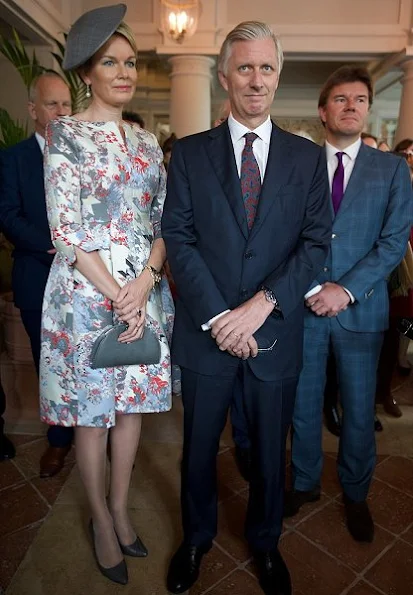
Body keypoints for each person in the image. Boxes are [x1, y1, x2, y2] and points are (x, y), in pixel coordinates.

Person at [162, 21, 331, 595]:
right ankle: (195, 540)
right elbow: (178, 240)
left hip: (276, 331)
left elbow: (315, 245)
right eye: (244, 68)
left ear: (277, 77)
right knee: (199, 448)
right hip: (206, 335)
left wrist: (261, 304)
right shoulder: (188, 155)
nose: (255, 80)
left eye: (265, 68)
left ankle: (265, 543)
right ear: (224, 76)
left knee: (267, 450)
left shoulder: (308, 160)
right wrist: (218, 318)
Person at [40, 4, 173, 585]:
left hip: (142, 293)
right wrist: (119, 293)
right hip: (85, 295)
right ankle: (98, 517)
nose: (124, 72)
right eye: (110, 62)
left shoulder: (147, 143)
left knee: (131, 411)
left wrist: (144, 284)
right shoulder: (65, 134)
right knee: (92, 417)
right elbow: (64, 230)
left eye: (131, 62)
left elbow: (165, 225)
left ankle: (120, 507)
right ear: (86, 74)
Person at [287, 66, 413, 543]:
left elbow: (393, 240)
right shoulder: (300, 165)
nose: (351, 106)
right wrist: (308, 290)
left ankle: (356, 493)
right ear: (324, 111)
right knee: (302, 403)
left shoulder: (392, 170)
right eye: (341, 99)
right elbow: (286, 236)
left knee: (359, 411)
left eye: (360, 99)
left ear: (367, 108)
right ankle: (303, 482)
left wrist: (344, 289)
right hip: (305, 309)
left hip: (361, 311)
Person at [0, 72, 73, 477]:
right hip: (39, 277)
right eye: (52, 104)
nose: (62, 112)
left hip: (88, 280)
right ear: (33, 110)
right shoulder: (13, 158)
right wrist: (54, 243)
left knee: (88, 360)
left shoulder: (83, 156)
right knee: (52, 364)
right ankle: (59, 441)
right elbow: (7, 215)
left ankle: (94, 430)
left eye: (66, 104)